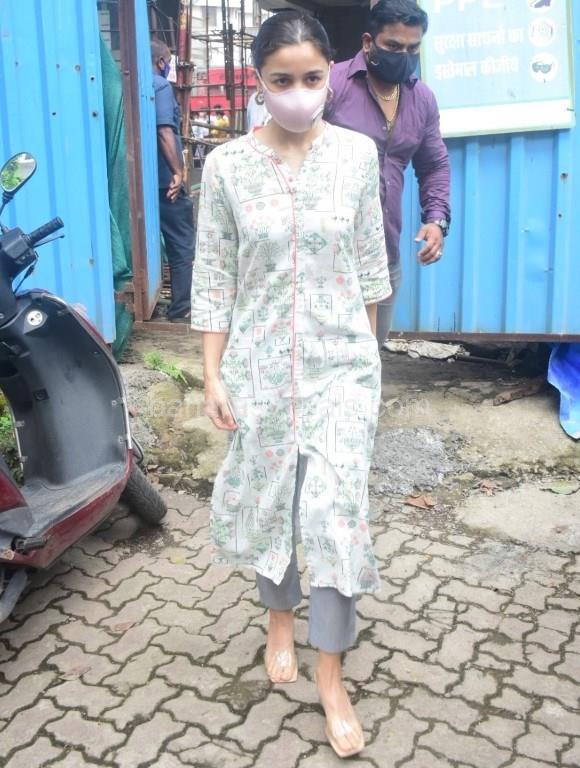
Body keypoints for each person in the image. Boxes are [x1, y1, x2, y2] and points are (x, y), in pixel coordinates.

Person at [191, 10, 391, 759]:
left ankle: (330, 677)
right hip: (261, 369)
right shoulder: (228, 168)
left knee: (337, 518)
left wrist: (367, 363)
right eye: (283, 79)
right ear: (259, 81)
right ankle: (280, 619)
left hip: (342, 369)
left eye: (312, 77)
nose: (299, 91)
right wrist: (212, 374)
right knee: (273, 500)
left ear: (330, 74)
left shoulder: (357, 157)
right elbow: (213, 275)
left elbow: (370, 267)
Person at [325, 0, 450, 345]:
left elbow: (434, 165)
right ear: (369, 42)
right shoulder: (332, 87)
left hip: (384, 255)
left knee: (370, 356)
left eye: (413, 49)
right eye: (393, 46)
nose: (403, 56)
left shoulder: (421, 99)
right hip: (327, 256)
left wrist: (436, 220)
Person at [151, 38, 195, 323]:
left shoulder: (127, 86)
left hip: (140, 182)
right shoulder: (160, 86)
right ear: (161, 62)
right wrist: (178, 172)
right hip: (165, 182)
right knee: (182, 244)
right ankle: (182, 307)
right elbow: (164, 131)